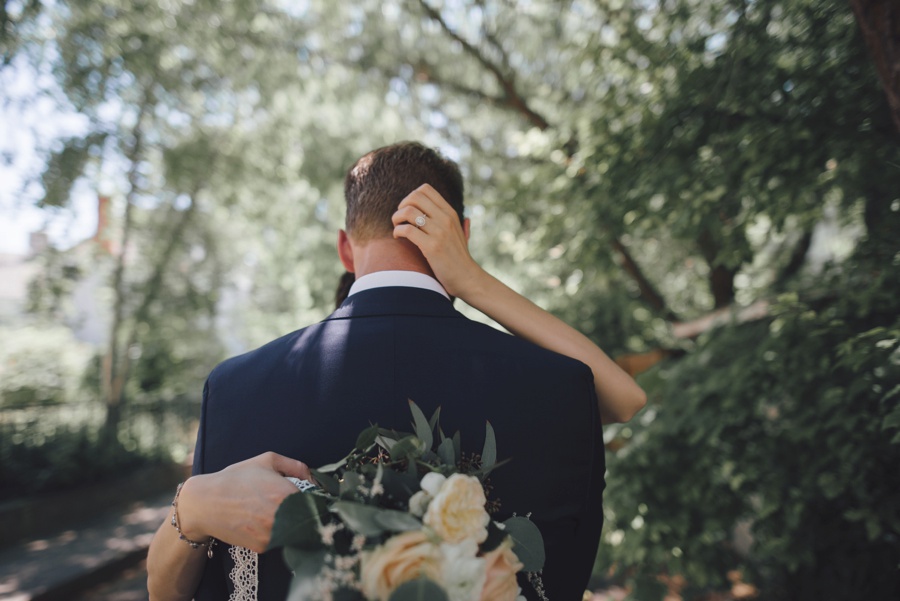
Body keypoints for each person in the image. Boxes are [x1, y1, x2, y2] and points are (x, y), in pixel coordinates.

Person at [147, 142, 646, 601]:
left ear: (345, 247)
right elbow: (624, 399)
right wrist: (473, 281)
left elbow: (175, 591)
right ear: (462, 236)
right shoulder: (558, 387)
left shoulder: (233, 389)